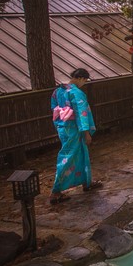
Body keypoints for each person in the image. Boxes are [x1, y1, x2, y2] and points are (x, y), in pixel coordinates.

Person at [49, 68, 102, 205]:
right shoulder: (76, 93)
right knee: (68, 157)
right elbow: (81, 113)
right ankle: (56, 191)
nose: (84, 83)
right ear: (81, 78)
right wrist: (86, 132)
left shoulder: (58, 91)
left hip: (63, 127)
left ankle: (86, 181)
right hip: (75, 128)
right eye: (85, 80)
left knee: (81, 153)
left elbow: (55, 109)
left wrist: (60, 125)